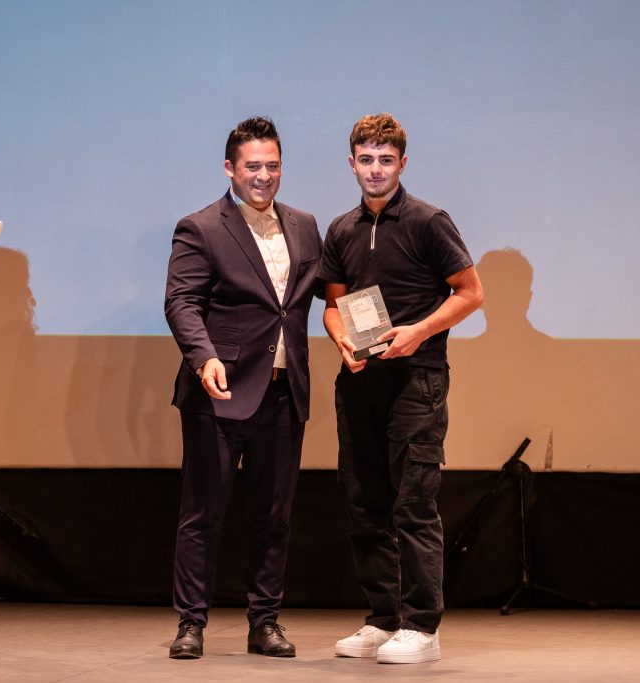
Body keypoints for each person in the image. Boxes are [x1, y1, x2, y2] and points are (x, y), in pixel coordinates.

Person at [320, 113, 483, 664]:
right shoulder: (341, 229)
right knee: (365, 502)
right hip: (360, 381)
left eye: (385, 160)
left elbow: (471, 293)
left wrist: (419, 331)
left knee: (413, 503)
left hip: (418, 379)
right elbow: (334, 305)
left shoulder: (428, 221)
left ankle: (422, 627)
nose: (375, 169)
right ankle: (382, 619)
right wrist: (342, 341)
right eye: (366, 159)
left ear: (402, 164)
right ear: (352, 163)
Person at [164, 116, 321, 659]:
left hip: (284, 392)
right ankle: (191, 623)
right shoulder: (201, 227)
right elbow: (181, 302)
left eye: (272, 166)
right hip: (220, 393)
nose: (263, 176)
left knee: (273, 517)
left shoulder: (304, 225)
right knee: (203, 515)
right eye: (253, 166)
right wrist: (203, 357)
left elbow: (329, 292)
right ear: (229, 168)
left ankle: (265, 622)